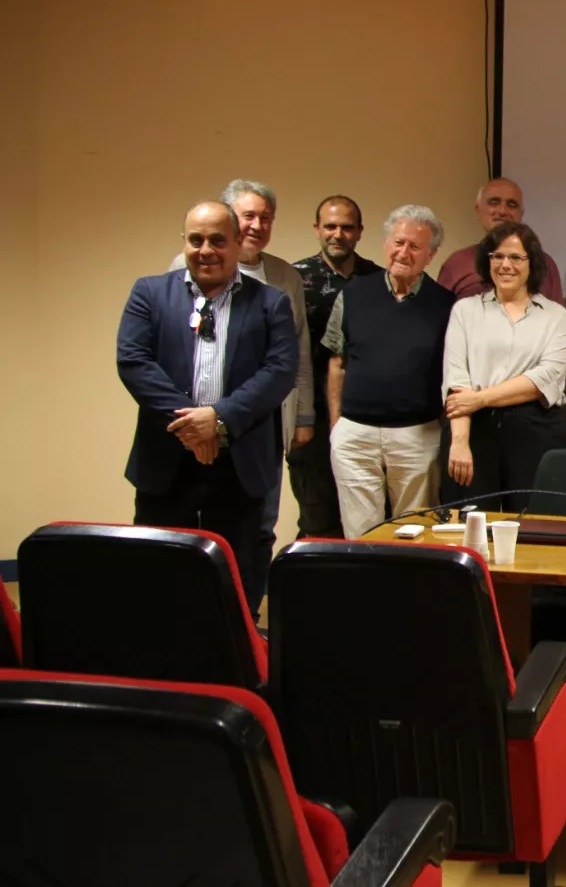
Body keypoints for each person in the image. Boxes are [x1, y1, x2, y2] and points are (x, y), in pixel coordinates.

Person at [120, 202, 298, 617]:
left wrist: (218, 421)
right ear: (183, 242)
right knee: (159, 570)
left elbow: (280, 371)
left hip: (240, 460)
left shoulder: (271, 302)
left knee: (237, 572)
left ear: (237, 243)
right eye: (196, 240)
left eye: (218, 240)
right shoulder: (149, 293)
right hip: (167, 458)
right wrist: (191, 424)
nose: (206, 250)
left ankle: (236, 646)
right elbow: (134, 361)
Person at [170, 180, 313, 591]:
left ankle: (246, 613)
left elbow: (297, 351)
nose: (257, 225)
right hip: (194, 424)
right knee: (195, 525)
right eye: (248, 216)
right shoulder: (181, 270)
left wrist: (304, 416)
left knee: (258, 526)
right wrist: (202, 422)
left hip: (260, 424)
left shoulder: (284, 276)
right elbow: (174, 352)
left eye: (266, 218)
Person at [323, 206, 455, 539]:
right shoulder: (353, 294)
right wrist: (337, 424)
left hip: (417, 435)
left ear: (430, 255)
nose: (403, 253)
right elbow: (337, 362)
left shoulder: (447, 305)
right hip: (355, 435)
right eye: (398, 242)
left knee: (415, 533)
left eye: (415, 246)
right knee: (360, 535)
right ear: (386, 244)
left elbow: (453, 373)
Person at [442, 223, 566, 504]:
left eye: (516, 257)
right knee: (470, 520)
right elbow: (457, 380)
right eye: (498, 256)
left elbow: (544, 378)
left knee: (533, 522)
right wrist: (460, 443)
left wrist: (480, 399)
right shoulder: (465, 310)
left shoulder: (556, 316)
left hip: (534, 429)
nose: (505, 265)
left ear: (532, 263)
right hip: (473, 430)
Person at [289, 195, 381, 538]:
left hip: (363, 415)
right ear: (317, 229)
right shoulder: (294, 279)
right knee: (316, 514)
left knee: (369, 517)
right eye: (330, 226)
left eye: (346, 227)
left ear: (360, 231)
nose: (338, 234)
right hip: (309, 416)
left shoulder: (378, 279)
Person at [435, 178, 563, 303]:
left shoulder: (544, 263)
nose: (502, 211)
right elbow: (439, 313)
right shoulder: (456, 264)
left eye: (511, 205)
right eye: (494, 202)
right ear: (478, 210)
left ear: (521, 213)